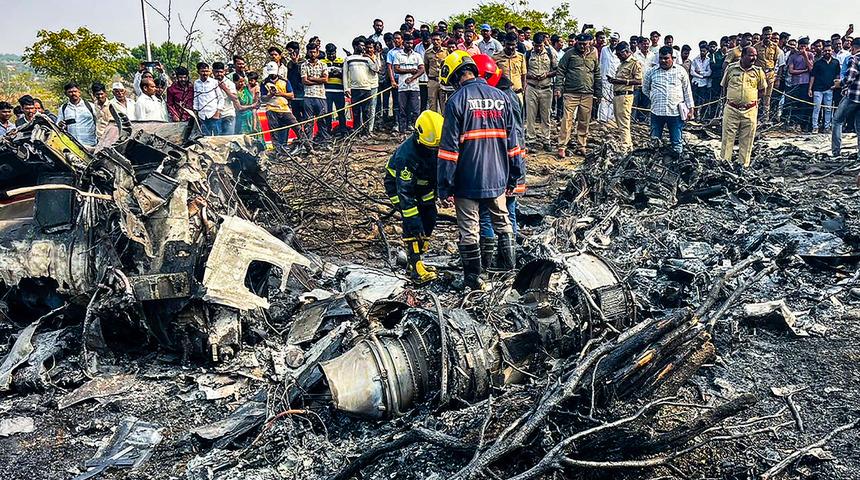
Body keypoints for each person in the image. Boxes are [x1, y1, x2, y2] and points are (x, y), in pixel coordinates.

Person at [437, 51, 524, 289]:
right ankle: (509, 272)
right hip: (498, 176)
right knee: (503, 223)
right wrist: (514, 175)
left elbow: (448, 151)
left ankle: (474, 278)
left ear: (455, 76)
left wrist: (444, 186)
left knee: (469, 230)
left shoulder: (456, 101)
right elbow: (513, 143)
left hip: (467, 179)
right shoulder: (501, 97)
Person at [383, 110, 444, 284]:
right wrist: (415, 223)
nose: (434, 151)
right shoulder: (406, 156)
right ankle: (415, 265)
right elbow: (405, 194)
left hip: (424, 186)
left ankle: (418, 258)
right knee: (412, 221)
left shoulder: (434, 144)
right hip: (400, 188)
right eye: (432, 147)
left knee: (430, 216)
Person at [721, 46, 768, 169]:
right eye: (751, 55)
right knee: (727, 139)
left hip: (750, 110)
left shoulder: (758, 71)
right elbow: (724, 86)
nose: (754, 58)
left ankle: (743, 166)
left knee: (747, 139)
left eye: (755, 55)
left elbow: (762, 90)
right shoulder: (731, 69)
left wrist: (751, 100)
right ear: (742, 56)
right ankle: (725, 166)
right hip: (731, 109)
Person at [556, 33, 601, 158]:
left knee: (584, 121)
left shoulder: (594, 54)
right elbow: (560, 71)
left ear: (590, 42)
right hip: (571, 92)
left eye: (584, 44)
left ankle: (582, 145)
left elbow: (597, 73)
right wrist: (558, 88)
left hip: (588, 93)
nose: (582, 46)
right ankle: (562, 146)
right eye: (580, 44)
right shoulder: (569, 54)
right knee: (567, 120)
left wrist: (598, 92)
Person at [643, 46, 695, 156]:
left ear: (672, 58)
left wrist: (691, 109)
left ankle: (677, 164)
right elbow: (645, 89)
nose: (663, 61)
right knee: (654, 141)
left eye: (666, 58)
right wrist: (654, 97)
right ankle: (653, 163)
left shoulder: (681, 71)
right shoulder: (651, 72)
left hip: (675, 113)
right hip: (657, 112)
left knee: (676, 142)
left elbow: (687, 91)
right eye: (661, 58)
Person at [261, 62, 311, 154]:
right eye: (270, 73)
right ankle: (277, 152)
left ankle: (309, 148)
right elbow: (263, 98)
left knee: (297, 127)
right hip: (271, 109)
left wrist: (280, 93)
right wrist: (270, 95)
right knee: (274, 132)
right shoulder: (264, 83)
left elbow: (291, 95)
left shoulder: (285, 81)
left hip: (284, 108)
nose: (272, 74)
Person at [606, 42, 643, 152]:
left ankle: (626, 146)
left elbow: (639, 81)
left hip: (625, 95)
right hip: (617, 95)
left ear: (626, 52)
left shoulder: (634, 63)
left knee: (624, 122)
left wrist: (621, 81)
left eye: (619, 54)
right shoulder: (622, 64)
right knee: (619, 122)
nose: (618, 56)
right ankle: (625, 144)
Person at [524, 32, 557, 151]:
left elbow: (556, 70)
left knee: (546, 116)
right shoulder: (527, 54)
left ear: (544, 44)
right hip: (531, 88)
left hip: (546, 88)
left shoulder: (550, 53)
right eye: (536, 45)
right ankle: (531, 139)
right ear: (533, 44)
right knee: (530, 115)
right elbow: (523, 72)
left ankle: (546, 139)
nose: (538, 48)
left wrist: (547, 74)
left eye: (540, 45)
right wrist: (530, 75)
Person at [832, 37, 860, 159]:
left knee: (837, 120)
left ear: (853, 47)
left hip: (853, 96)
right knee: (859, 126)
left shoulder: (854, 58)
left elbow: (849, 78)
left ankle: (836, 152)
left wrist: (839, 83)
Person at [343, 36, 378, 132]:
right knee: (356, 112)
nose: (363, 48)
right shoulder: (348, 59)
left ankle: (366, 132)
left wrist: (371, 57)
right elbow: (345, 75)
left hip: (367, 87)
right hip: (354, 88)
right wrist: (346, 88)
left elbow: (376, 69)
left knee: (366, 111)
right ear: (355, 46)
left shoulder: (366, 58)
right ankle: (357, 131)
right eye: (361, 45)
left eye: (364, 46)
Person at [392, 34, 424, 135]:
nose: (409, 45)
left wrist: (412, 78)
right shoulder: (398, 55)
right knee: (403, 109)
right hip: (402, 87)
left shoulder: (417, 55)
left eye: (411, 43)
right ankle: (402, 130)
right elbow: (396, 69)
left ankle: (415, 130)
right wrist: (410, 70)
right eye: (407, 43)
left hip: (414, 87)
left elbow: (422, 69)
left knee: (415, 110)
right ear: (403, 43)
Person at [301, 44, 330, 147]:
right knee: (308, 122)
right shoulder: (304, 65)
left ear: (317, 52)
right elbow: (304, 81)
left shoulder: (323, 65)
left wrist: (312, 79)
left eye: (314, 52)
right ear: (307, 52)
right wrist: (319, 80)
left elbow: (325, 80)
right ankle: (309, 145)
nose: (312, 54)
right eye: (310, 52)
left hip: (321, 96)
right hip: (308, 96)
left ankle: (325, 143)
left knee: (322, 120)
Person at [810, 43, 841, 132]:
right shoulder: (818, 63)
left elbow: (837, 75)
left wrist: (835, 85)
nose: (827, 52)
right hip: (818, 89)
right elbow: (813, 76)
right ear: (823, 52)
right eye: (825, 51)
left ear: (832, 51)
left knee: (828, 109)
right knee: (817, 109)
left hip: (830, 89)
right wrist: (810, 89)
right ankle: (815, 127)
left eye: (829, 51)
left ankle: (826, 127)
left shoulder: (836, 62)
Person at [786, 38, 815, 131]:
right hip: (795, 83)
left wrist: (805, 56)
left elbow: (811, 69)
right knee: (795, 104)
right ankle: (794, 123)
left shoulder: (810, 55)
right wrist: (804, 71)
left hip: (806, 83)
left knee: (804, 104)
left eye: (804, 46)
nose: (802, 47)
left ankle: (803, 125)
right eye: (801, 45)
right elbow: (791, 71)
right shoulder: (793, 56)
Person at [57, 82, 98, 147]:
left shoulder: (90, 106)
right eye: (70, 92)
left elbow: (99, 122)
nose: (73, 94)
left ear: (79, 92)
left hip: (91, 144)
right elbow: (58, 125)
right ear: (66, 94)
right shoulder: (63, 108)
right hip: (73, 145)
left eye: (75, 91)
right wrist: (60, 124)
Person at [321, 43, 347, 137]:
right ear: (326, 52)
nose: (331, 55)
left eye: (333, 53)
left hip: (339, 91)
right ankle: (328, 131)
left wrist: (338, 73)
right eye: (329, 53)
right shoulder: (322, 61)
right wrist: (331, 74)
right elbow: (322, 75)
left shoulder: (342, 61)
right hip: (327, 91)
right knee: (328, 112)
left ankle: (343, 131)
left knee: (341, 112)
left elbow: (345, 74)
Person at [754, 30, 781, 121]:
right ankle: (755, 117)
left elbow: (776, 60)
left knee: (767, 98)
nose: (767, 36)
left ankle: (765, 119)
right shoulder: (756, 46)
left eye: (769, 34)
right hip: (759, 74)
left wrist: (776, 77)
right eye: (765, 34)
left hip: (770, 74)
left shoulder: (775, 46)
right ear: (762, 35)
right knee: (757, 97)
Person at [494, 32, 527, 101]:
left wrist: (523, 91)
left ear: (516, 44)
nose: (510, 47)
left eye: (513, 45)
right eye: (508, 44)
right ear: (504, 42)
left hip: (518, 93)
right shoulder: (496, 57)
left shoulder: (520, 57)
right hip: (502, 94)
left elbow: (523, 75)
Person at [598, 33, 622, 122]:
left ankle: (611, 118)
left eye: (615, 40)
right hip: (605, 78)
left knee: (613, 98)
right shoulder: (604, 49)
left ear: (618, 41)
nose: (613, 41)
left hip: (616, 79)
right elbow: (601, 63)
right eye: (612, 39)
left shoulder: (620, 51)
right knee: (604, 98)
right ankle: (602, 118)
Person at [194, 62, 222, 136]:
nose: (205, 73)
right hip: (202, 116)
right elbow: (196, 98)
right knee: (205, 138)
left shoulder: (214, 82)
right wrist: (196, 112)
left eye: (207, 71)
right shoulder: (196, 83)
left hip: (213, 114)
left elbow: (220, 98)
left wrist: (218, 112)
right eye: (202, 71)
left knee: (218, 138)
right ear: (198, 72)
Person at [425, 32, 448, 113]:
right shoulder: (428, 53)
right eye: (434, 40)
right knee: (432, 106)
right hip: (432, 81)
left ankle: (445, 124)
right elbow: (426, 67)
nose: (436, 42)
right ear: (431, 40)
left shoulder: (446, 51)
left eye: (437, 40)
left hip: (443, 82)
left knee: (444, 105)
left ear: (441, 40)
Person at [212, 62, 237, 135]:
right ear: (213, 72)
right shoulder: (210, 83)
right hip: (215, 116)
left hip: (228, 114)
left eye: (221, 72)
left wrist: (225, 88)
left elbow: (235, 98)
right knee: (217, 140)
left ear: (224, 71)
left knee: (228, 140)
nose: (219, 74)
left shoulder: (230, 83)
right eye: (217, 72)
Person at [690, 42, 712, 119]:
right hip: (695, 82)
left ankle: (701, 116)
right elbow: (692, 72)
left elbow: (709, 73)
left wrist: (701, 73)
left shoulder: (709, 60)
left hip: (704, 84)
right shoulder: (695, 59)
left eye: (704, 51)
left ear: (707, 52)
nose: (702, 52)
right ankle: (694, 115)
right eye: (701, 51)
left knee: (702, 100)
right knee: (694, 100)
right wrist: (701, 76)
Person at [286, 42, 307, 122]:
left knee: (306, 119)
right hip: (294, 96)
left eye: (291, 51)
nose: (290, 53)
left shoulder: (304, 63)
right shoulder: (289, 64)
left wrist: (296, 62)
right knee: (296, 120)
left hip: (304, 95)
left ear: (296, 50)